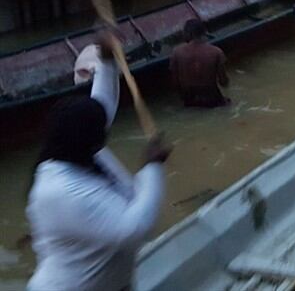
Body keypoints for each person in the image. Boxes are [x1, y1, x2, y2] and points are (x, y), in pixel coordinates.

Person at [27, 33, 171, 291]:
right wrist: (152, 167)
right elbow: (133, 229)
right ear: (89, 139)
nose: (105, 134)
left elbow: (102, 104)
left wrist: (106, 61)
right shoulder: (59, 191)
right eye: (101, 134)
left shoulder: (77, 149)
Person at [169, 19, 229, 107]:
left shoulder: (176, 52)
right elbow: (223, 82)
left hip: (189, 98)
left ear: (188, 33)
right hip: (211, 98)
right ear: (204, 33)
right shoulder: (216, 52)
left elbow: (175, 83)